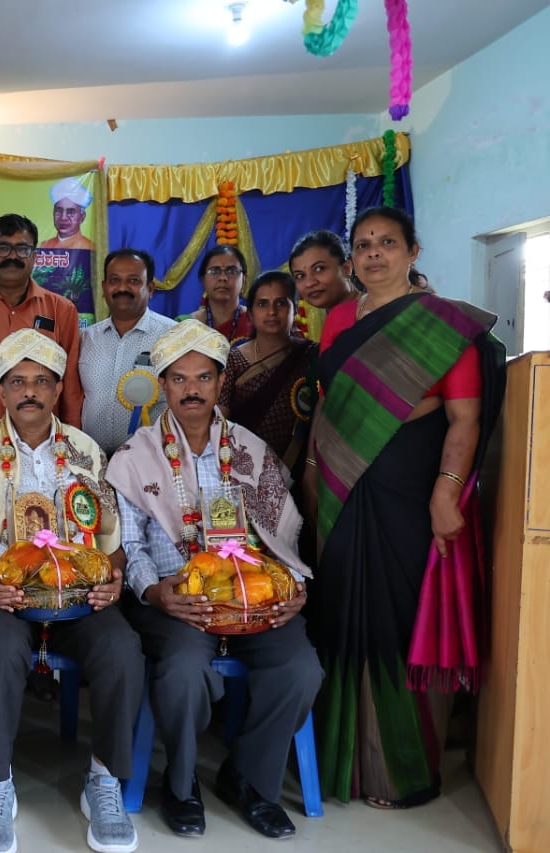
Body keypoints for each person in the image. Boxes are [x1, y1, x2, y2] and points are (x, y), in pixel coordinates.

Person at [304, 207, 505, 809]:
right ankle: (343, 763)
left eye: (387, 243)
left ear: (412, 251)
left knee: (397, 615)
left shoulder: (441, 323)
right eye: (363, 245)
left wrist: (447, 491)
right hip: (341, 489)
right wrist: (313, 472)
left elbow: (463, 418)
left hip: (408, 493)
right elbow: (327, 404)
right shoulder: (340, 317)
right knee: (339, 615)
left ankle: (402, 769)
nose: (373, 254)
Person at [106, 319, 321, 841]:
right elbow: (129, 546)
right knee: (183, 673)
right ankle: (181, 787)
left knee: (301, 670)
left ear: (221, 382)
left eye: (203, 377)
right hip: (175, 599)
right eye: (178, 379)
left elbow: (282, 535)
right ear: (163, 385)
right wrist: (155, 593)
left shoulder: (251, 451)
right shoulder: (136, 457)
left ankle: (248, 780)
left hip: (253, 597)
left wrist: (293, 587)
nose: (192, 389)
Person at [0, 329, 142, 853]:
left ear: (57, 391)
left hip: (76, 598)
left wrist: (113, 579)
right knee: (1, 649)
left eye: (42, 381)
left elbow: (110, 536)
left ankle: (103, 780)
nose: (29, 391)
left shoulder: (85, 450)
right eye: (17, 382)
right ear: (1, 391)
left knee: (122, 648)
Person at [0, 213, 84, 429]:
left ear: (34, 256)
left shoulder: (61, 310)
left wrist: (72, 435)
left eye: (23, 249)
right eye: (2, 248)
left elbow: (70, 381)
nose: (12, 257)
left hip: (46, 440)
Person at [216, 272, 318, 480]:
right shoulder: (233, 360)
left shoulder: (312, 355)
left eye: (281, 303)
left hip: (297, 470)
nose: (272, 312)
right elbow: (220, 422)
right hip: (241, 470)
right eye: (262, 304)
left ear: (295, 310)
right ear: (251, 314)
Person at [79, 248, 177, 456]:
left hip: (151, 460)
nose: (122, 287)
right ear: (104, 288)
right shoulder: (86, 339)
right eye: (114, 280)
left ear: (150, 288)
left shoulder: (172, 337)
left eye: (133, 280)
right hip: (92, 461)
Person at [187, 245, 253, 342]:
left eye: (231, 271)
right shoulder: (187, 325)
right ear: (203, 280)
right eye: (214, 271)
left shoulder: (256, 321)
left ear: (244, 280)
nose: (223, 278)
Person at [38, 177, 94, 250]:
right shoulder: (43, 247)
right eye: (59, 211)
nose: (63, 218)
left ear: (82, 217)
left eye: (70, 212)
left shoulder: (90, 248)